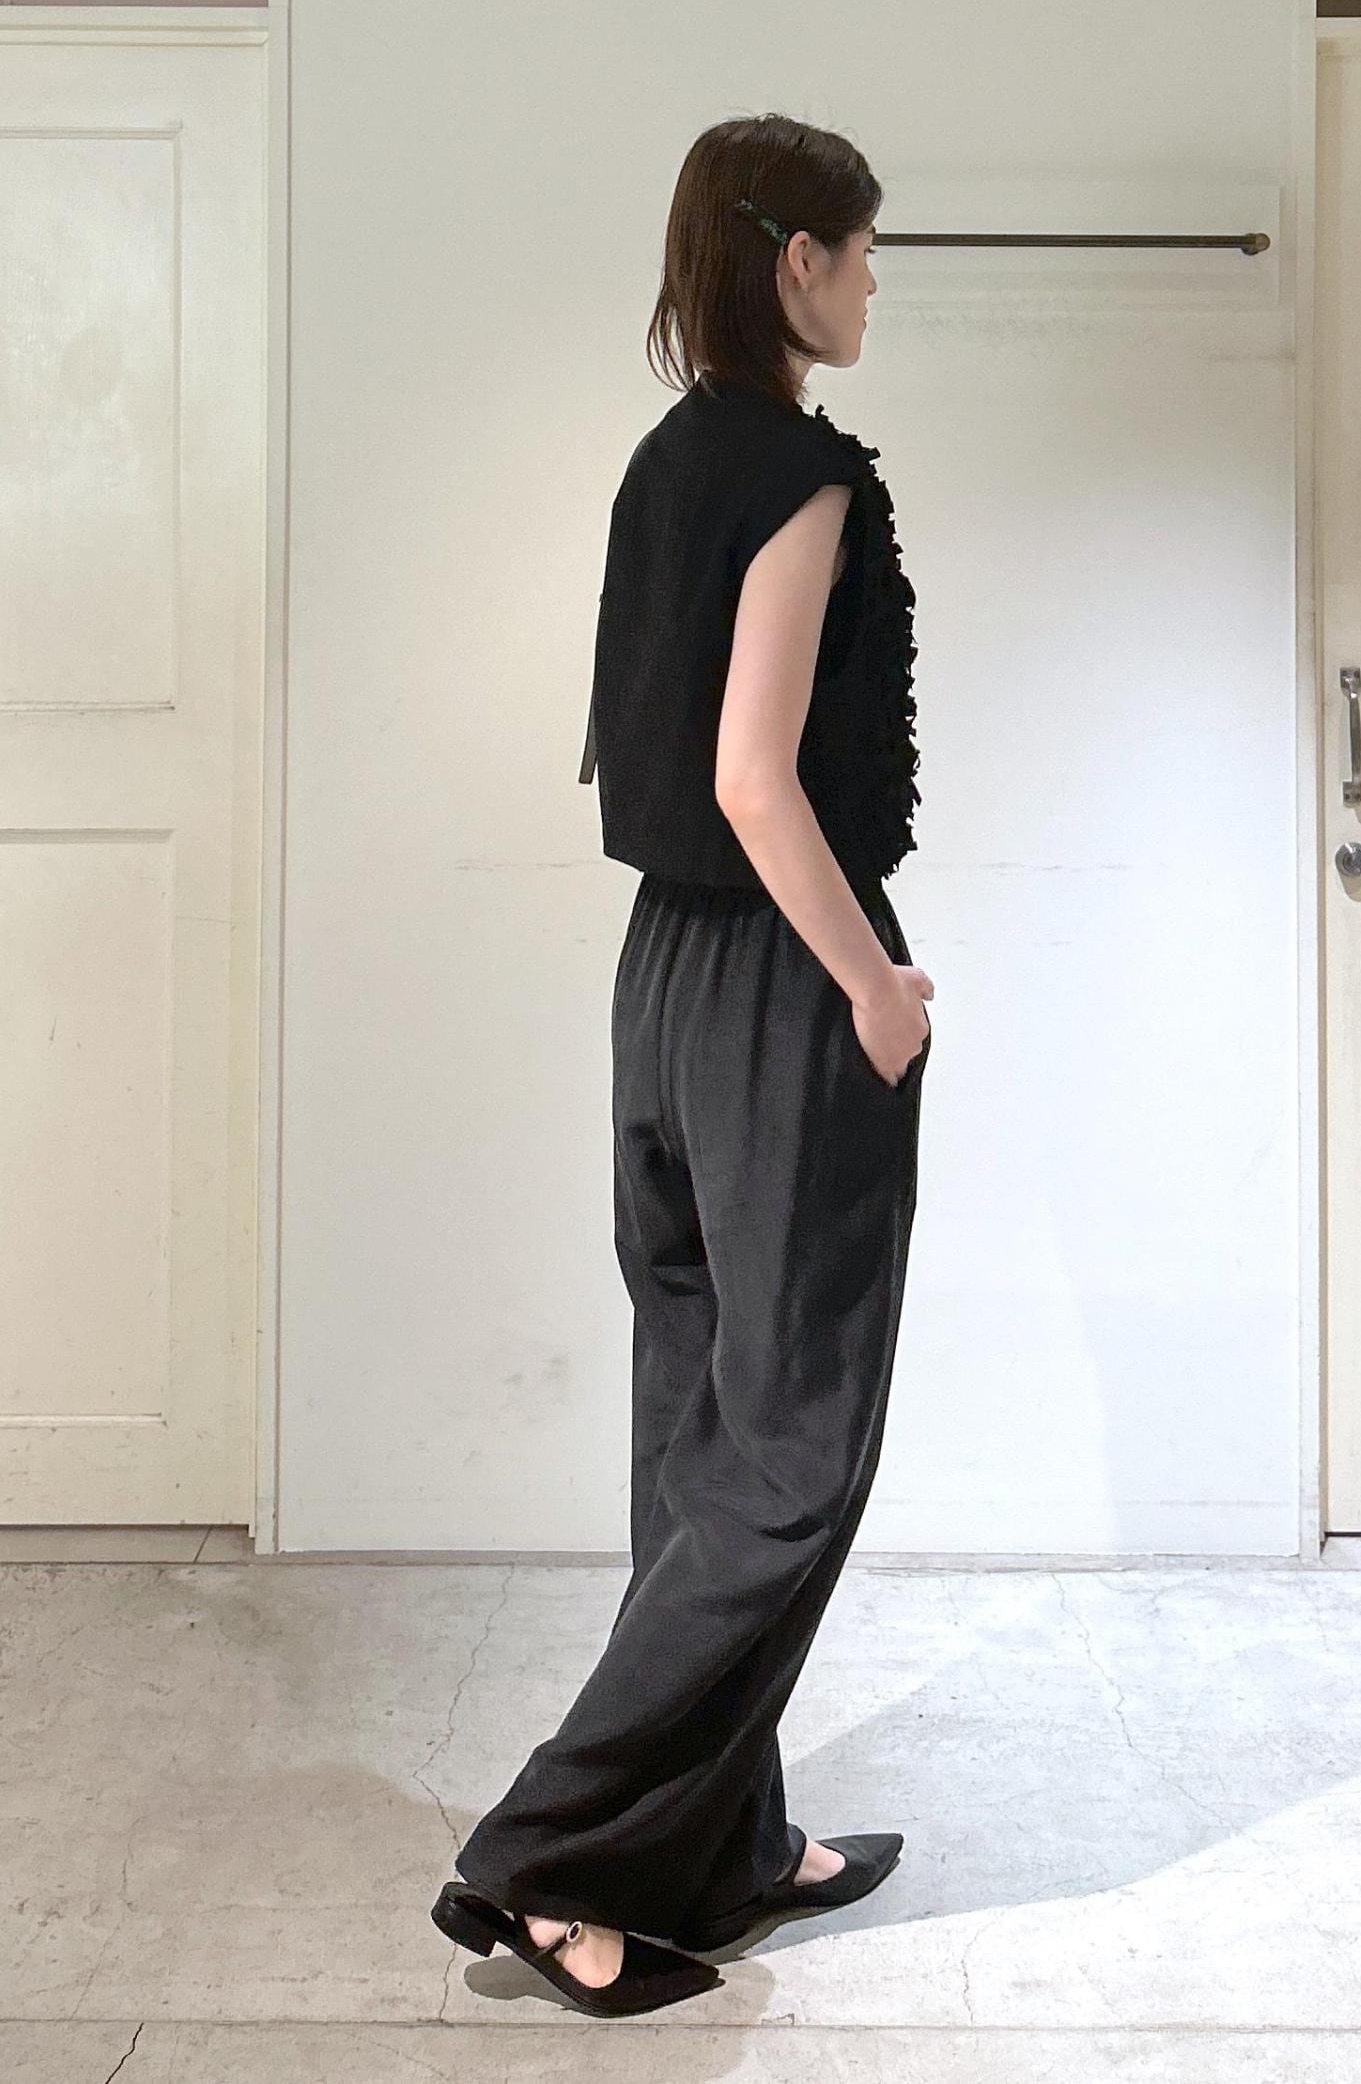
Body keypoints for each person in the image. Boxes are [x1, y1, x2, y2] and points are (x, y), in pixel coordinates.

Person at [431, 110, 932, 2020]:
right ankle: (545, 1857)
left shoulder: (665, 462)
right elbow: (753, 776)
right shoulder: (801, 474)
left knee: (698, 1437)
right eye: (863, 250)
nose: (874, 282)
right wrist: (875, 985)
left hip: (660, 985)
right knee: (792, 1453)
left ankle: (724, 1840)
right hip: (783, 986)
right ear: (795, 259)